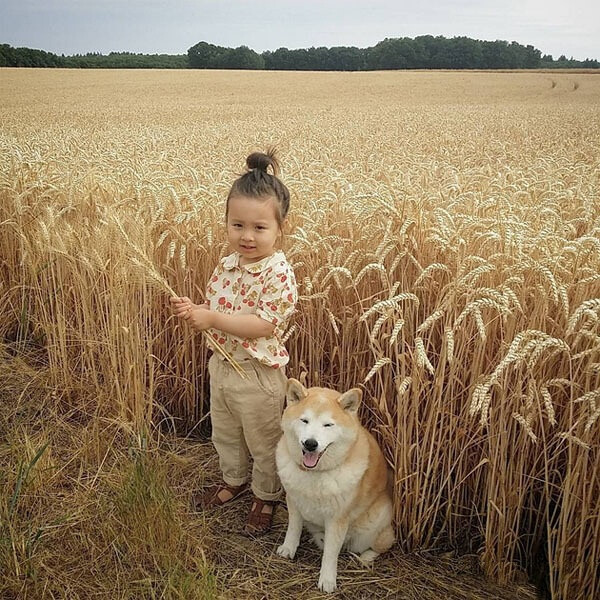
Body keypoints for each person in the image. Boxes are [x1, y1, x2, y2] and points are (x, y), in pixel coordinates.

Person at [170, 149, 297, 535]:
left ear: (279, 229)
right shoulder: (225, 265)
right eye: (237, 225)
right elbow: (215, 305)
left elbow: (264, 325)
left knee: (263, 438)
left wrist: (213, 318)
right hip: (222, 366)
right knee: (224, 431)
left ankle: (266, 494)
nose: (246, 236)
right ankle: (234, 480)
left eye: (259, 228)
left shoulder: (279, 272)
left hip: (257, 373)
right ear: (225, 223)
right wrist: (197, 311)